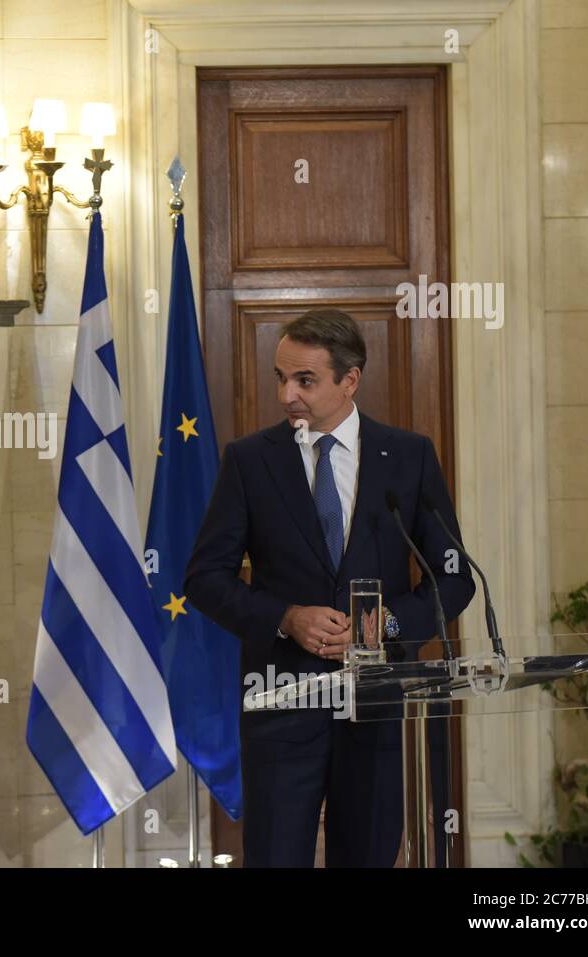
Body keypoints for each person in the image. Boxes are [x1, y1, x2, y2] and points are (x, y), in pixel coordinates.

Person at [184, 309, 474, 867]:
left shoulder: (408, 457)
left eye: (305, 380)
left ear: (350, 380)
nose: (287, 394)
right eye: (280, 378)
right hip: (282, 705)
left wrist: (389, 624)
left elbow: (454, 576)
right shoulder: (248, 460)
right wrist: (285, 616)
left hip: (378, 707)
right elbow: (204, 578)